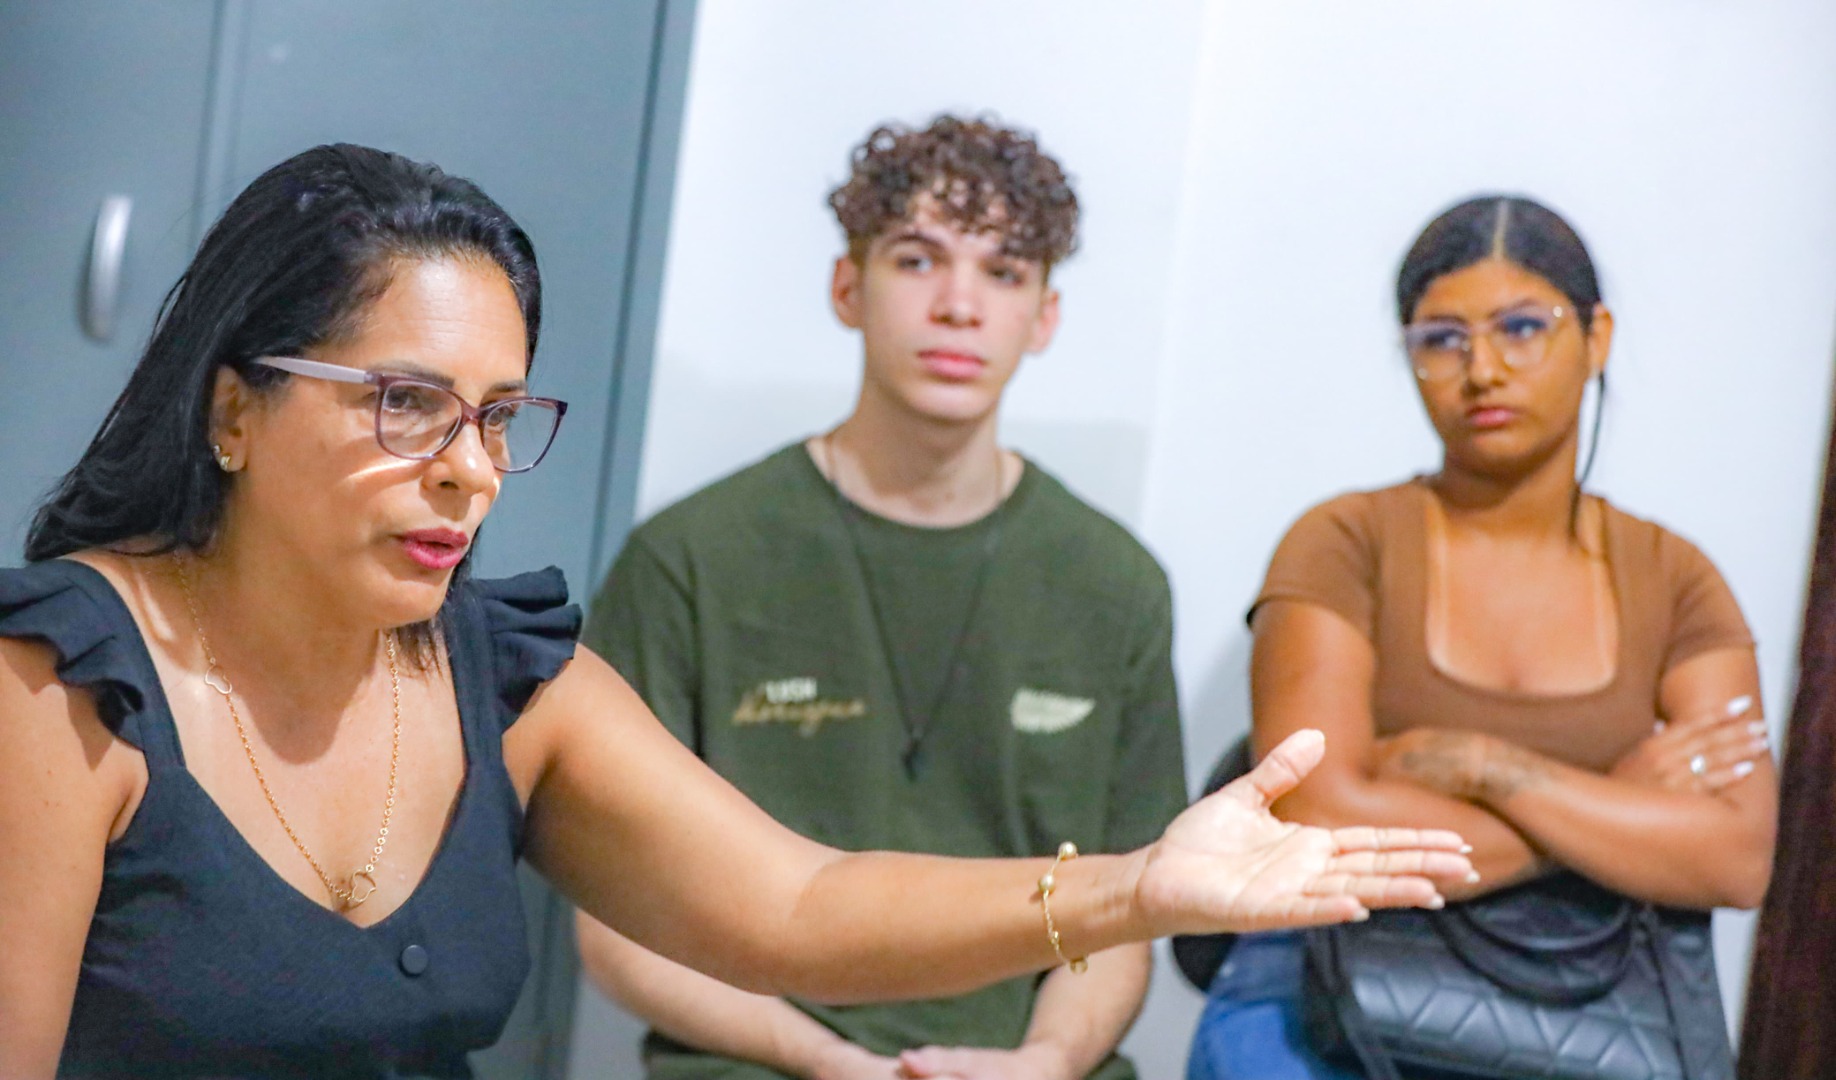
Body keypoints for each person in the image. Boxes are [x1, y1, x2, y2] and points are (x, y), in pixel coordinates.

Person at [0, 144, 1472, 1080]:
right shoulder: (64, 689)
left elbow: (799, 907)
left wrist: (1140, 888)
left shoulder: (505, 684)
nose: (469, 470)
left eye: (499, 417)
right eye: (405, 404)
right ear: (235, 412)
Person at [573, 115, 1181, 1080]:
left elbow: (1123, 915)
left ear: (1044, 316)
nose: (959, 306)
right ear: (848, 288)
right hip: (762, 1065)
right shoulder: (690, 558)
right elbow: (618, 918)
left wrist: (1047, 1062)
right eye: (917, 260)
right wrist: (820, 1058)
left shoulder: (1115, 583)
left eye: (1004, 272)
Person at [1184, 195, 1778, 1080]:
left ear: (1598, 337)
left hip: (1584, 1004)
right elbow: (1316, 820)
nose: (1483, 370)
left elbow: (1735, 857)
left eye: (1523, 328)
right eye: (1442, 339)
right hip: (1321, 990)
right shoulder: (1344, 540)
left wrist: (1489, 768)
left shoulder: (1676, 578)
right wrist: (1604, 813)